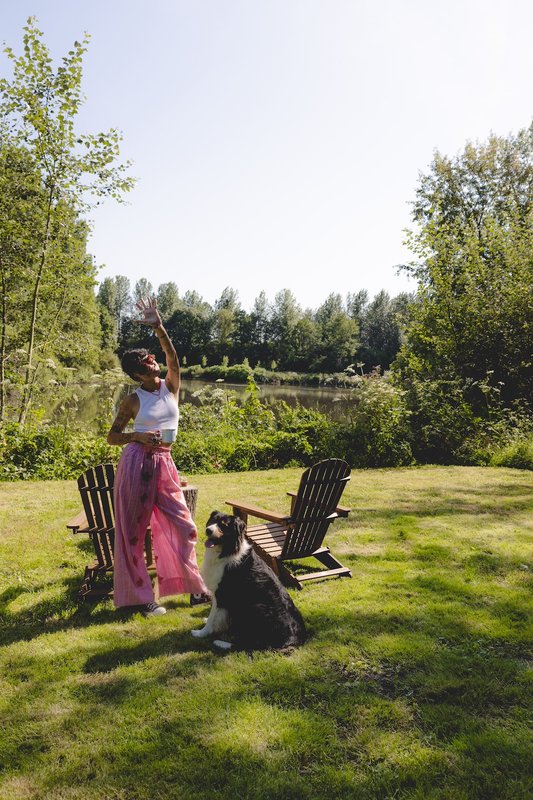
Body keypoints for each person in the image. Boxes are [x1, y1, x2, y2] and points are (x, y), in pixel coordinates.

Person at [107, 297, 209, 615]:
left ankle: (194, 589)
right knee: (133, 532)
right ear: (138, 374)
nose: (152, 362)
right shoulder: (132, 401)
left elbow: (173, 358)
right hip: (137, 463)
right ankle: (140, 598)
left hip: (164, 463)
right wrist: (136, 435)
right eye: (144, 362)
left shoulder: (171, 386)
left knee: (184, 526)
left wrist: (159, 327)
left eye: (151, 358)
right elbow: (112, 437)